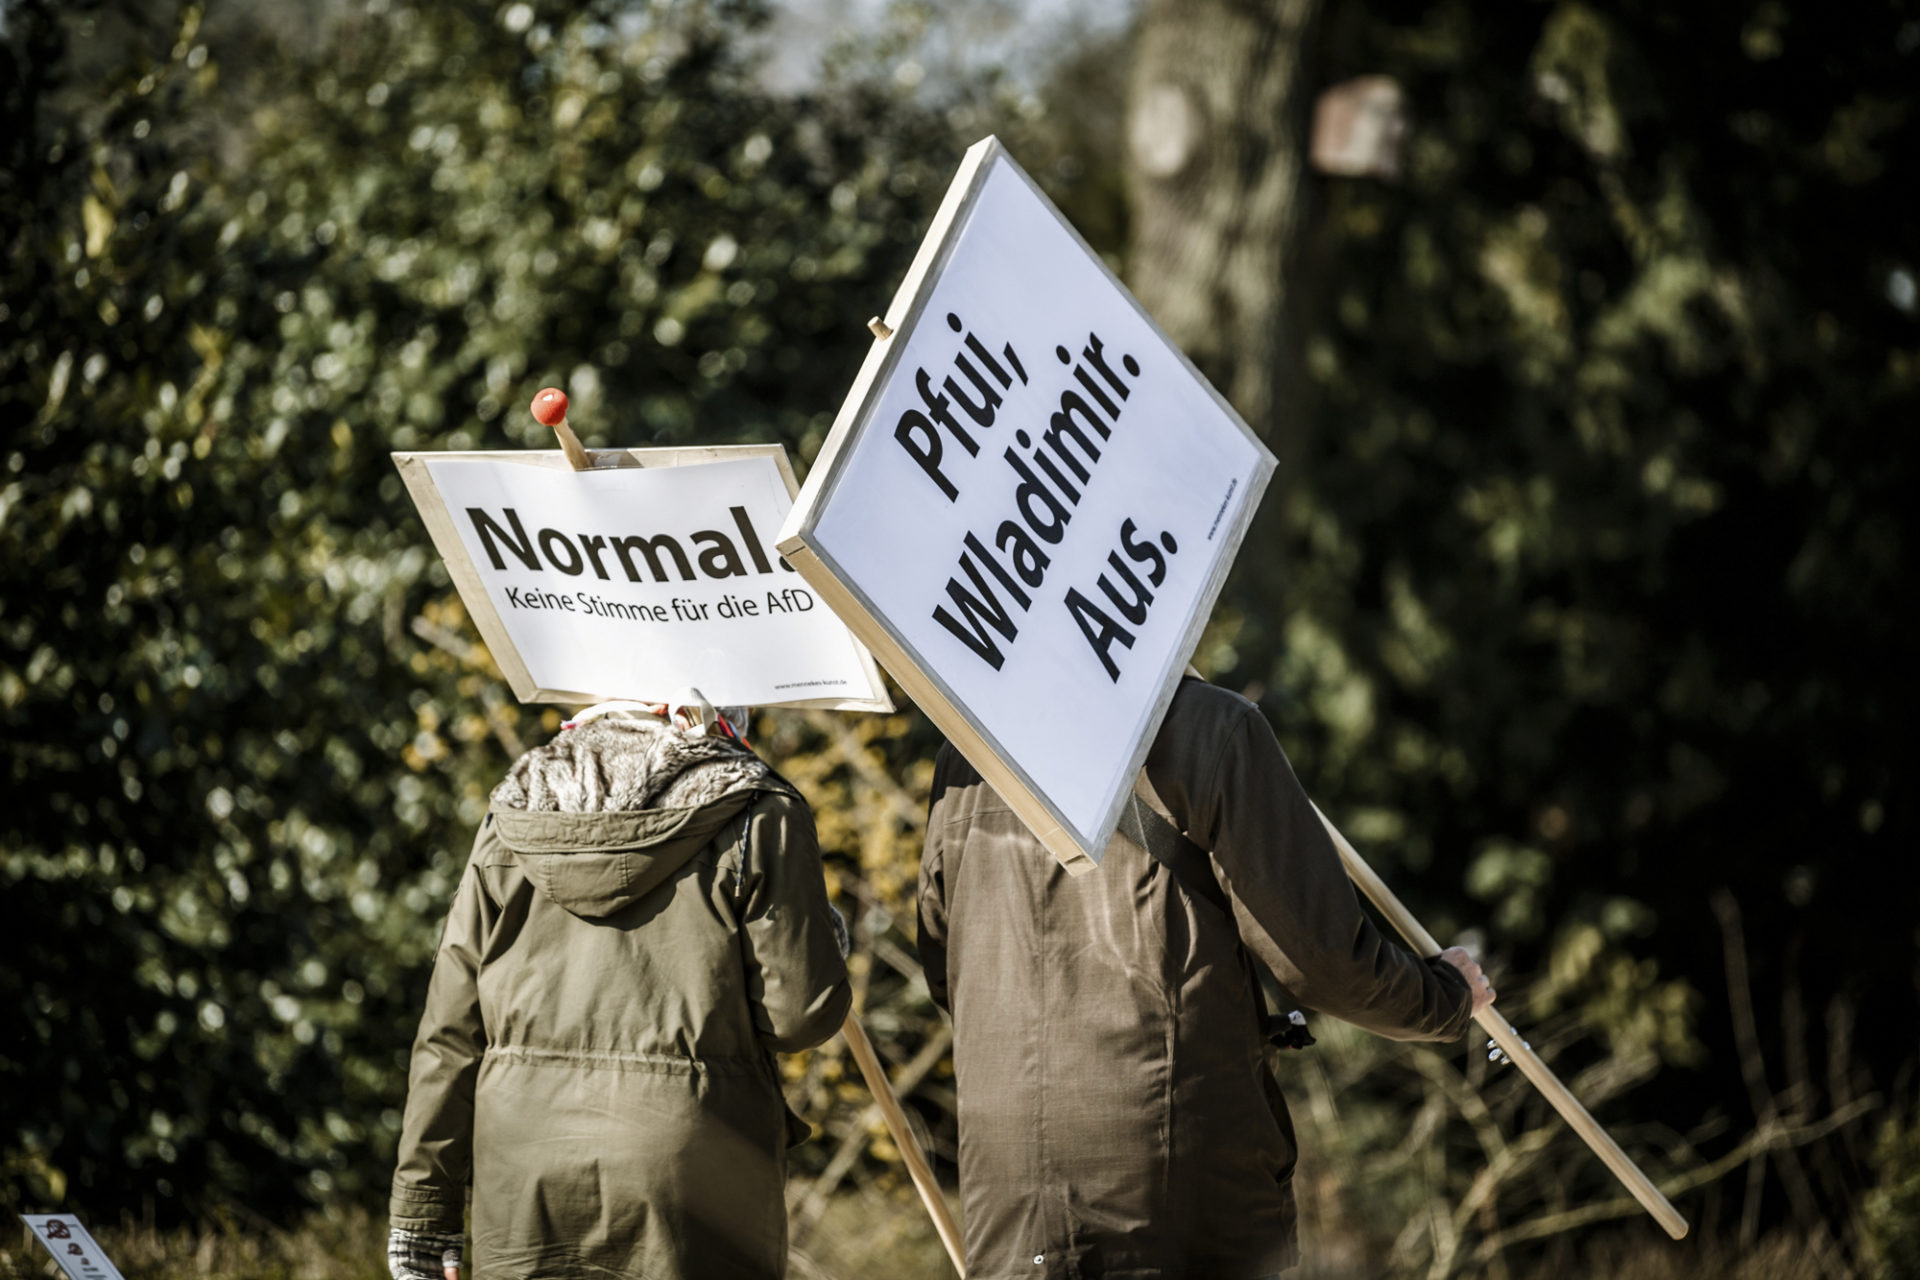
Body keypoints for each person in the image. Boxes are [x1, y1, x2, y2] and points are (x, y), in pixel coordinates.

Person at [916, 676, 1496, 1279]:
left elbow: (947, 969)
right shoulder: (1210, 726)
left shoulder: (966, 749)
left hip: (1011, 1192)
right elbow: (1323, 963)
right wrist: (1445, 998)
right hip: (1175, 1188)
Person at [387, 703, 851, 1280]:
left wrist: (424, 1212)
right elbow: (800, 1017)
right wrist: (820, 934)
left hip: (523, 1167)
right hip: (693, 1174)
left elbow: (450, 1031)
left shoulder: (512, 812)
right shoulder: (761, 813)